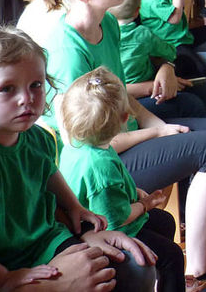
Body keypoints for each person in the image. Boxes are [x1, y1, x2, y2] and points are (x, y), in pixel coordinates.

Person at [37, 0, 206, 292]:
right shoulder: (66, 50)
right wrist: (155, 134)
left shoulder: (106, 22)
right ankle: (202, 272)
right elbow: (84, 139)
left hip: (122, 137)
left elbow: (120, 95)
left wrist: (157, 125)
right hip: (103, 159)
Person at [0, 28, 157, 292]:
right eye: (7, 89)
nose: (27, 99)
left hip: (49, 240)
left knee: (133, 268)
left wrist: (75, 207)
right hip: (3, 260)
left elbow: (49, 173)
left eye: (35, 85)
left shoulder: (37, 137)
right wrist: (2, 279)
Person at [58, 68, 190, 292]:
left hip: (109, 211)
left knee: (165, 221)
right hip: (109, 231)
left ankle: (158, 278)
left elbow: (112, 192)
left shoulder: (78, 144)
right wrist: (146, 204)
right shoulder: (100, 167)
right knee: (173, 255)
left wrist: (134, 191)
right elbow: (118, 219)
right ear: (125, 119)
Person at [110, 0, 206, 119]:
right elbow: (169, 51)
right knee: (187, 80)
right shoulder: (142, 34)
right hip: (148, 85)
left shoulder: (109, 34)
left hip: (129, 90)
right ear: (137, 11)